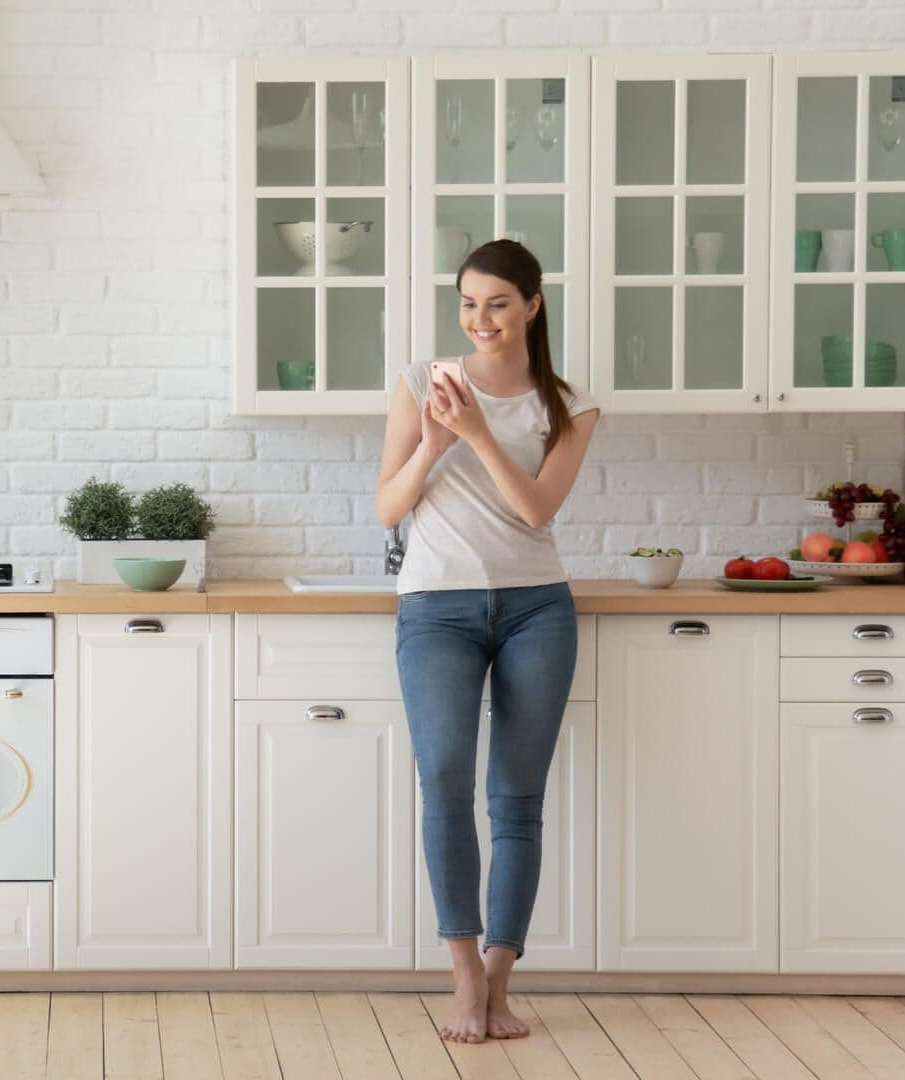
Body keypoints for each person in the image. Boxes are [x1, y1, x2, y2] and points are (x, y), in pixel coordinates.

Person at [374, 239, 601, 1043]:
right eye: (468, 304)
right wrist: (435, 444)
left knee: (517, 799)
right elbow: (387, 507)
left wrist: (475, 435)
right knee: (443, 776)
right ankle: (464, 975)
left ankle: (501, 982)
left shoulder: (569, 404)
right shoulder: (421, 382)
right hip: (437, 607)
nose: (481, 321)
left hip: (537, 606)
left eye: (498, 304)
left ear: (534, 306)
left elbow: (537, 510)